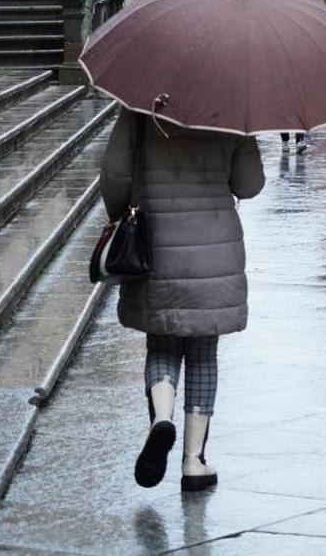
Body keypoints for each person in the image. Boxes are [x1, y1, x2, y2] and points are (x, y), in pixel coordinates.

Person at [101, 109, 264, 492]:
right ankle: (194, 461)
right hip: (215, 249)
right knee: (204, 352)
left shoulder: (139, 108)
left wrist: (119, 216)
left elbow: (114, 177)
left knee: (162, 343)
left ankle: (161, 418)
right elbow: (249, 185)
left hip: (156, 244)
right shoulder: (234, 105)